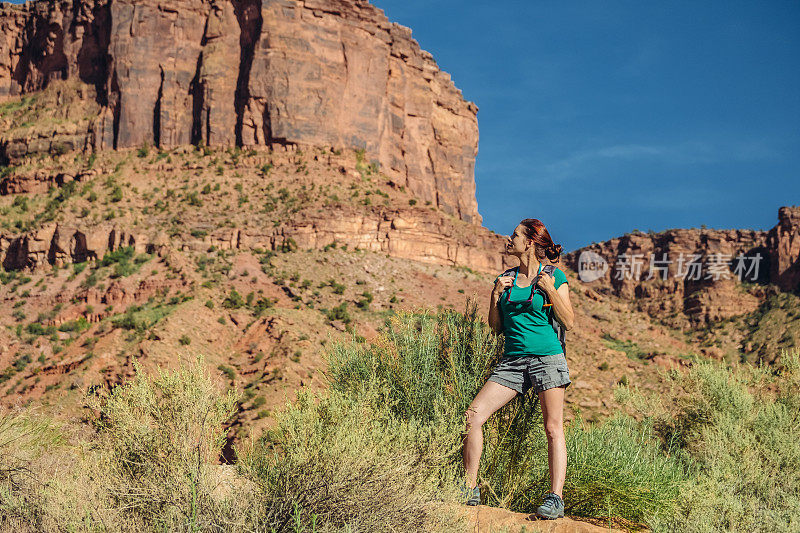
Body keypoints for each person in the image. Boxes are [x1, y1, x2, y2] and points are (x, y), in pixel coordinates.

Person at [460, 218, 575, 520]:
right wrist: (495, 296)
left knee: (553, 428)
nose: (508, 239)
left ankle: (555, 499)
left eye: (514, 235)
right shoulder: (505, 278)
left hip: (547, 358)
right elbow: (496, 327)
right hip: (512, 362)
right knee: (473, 417)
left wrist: (550, 290)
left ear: (531, 243)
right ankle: (468, 489)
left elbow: (569, 321)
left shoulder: (554, 276)